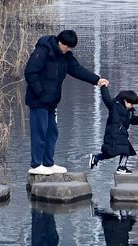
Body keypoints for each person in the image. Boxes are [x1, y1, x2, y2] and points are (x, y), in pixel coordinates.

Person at [25, 29, 109, 175]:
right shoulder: (43, 51)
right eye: (67, 46)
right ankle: (36, 165)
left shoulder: (66, 56)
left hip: (51, 101)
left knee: (52, 132)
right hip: (38, 101)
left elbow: (77, 70)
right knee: (40, 132)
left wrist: (96, 80)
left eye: (71, 48)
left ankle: (48, 163)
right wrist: (40, 91)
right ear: (60, 42)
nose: (69, 50)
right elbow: (30, 72)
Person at [89, 86, 138, 174]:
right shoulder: (114, 106)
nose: (132, 106)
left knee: (110, 153)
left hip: (121, 134)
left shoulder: (129, 111)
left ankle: (96, 158)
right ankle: (121, 167)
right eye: (131, 104)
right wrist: (103, 87)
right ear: (125, 100)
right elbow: (106, 99)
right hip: (113, 134)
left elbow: (131, 120)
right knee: (126, 150)